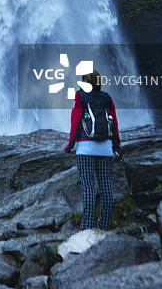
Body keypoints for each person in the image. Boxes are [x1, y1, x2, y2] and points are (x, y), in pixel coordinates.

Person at [63, 69, 122, 231]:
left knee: (88, 187)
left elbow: (75, 121)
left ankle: (87, 226)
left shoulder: (80, 96)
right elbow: (114, 123)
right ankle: (103, 225)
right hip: (105, 149)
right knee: (105, 186)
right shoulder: (107, 98)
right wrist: (117, 147)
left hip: (85, 148)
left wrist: (70, 144)